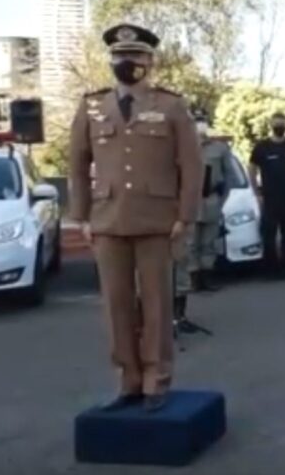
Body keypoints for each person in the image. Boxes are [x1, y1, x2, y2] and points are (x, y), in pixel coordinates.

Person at [68, 23, 203, 412]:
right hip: (108, 219)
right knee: (116, 304)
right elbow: (77, 164)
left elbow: (191, 166)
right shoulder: (92, 106)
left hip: (157, 220)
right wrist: (82, 216)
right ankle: (127, 380)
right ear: (111, 60)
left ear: (150, 61)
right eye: (120, 56)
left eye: (136, 56)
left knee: (158, 305)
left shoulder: (171, 105)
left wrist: (185, 215)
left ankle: (155, 381)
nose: (127, 62)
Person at [172, 111, 233, 328]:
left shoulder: (219, 149)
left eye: (203, 124)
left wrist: (222, 200)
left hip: (211, 200)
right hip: (188, 202)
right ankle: (191, 281)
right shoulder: (181, 146)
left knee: (208, 242)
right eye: (197, 124)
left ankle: (206, 277)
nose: (201, 128)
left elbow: (228, 177)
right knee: (188, 245)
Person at [249, 112, 285, 280]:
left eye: (282, 122)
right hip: (269, 197)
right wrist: (256, 191)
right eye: (276, 123)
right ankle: (270, 270)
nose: (279, 126)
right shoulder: (262, 146)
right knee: (269, 235)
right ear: (271, 125)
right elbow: (252, 167)